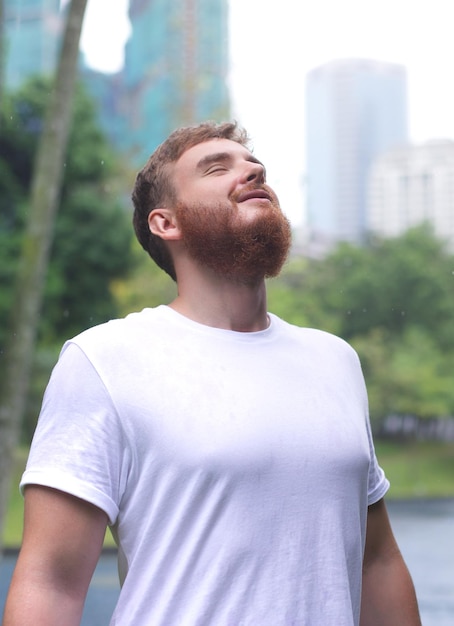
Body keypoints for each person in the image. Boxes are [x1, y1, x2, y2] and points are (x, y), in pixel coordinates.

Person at [3, 121, 421, 626]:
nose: (252, 171)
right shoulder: (103, 361)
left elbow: (377, 563)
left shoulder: (335, 360)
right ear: (166, 223)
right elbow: (51, 582)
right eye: (217, 167)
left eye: (253, 166)